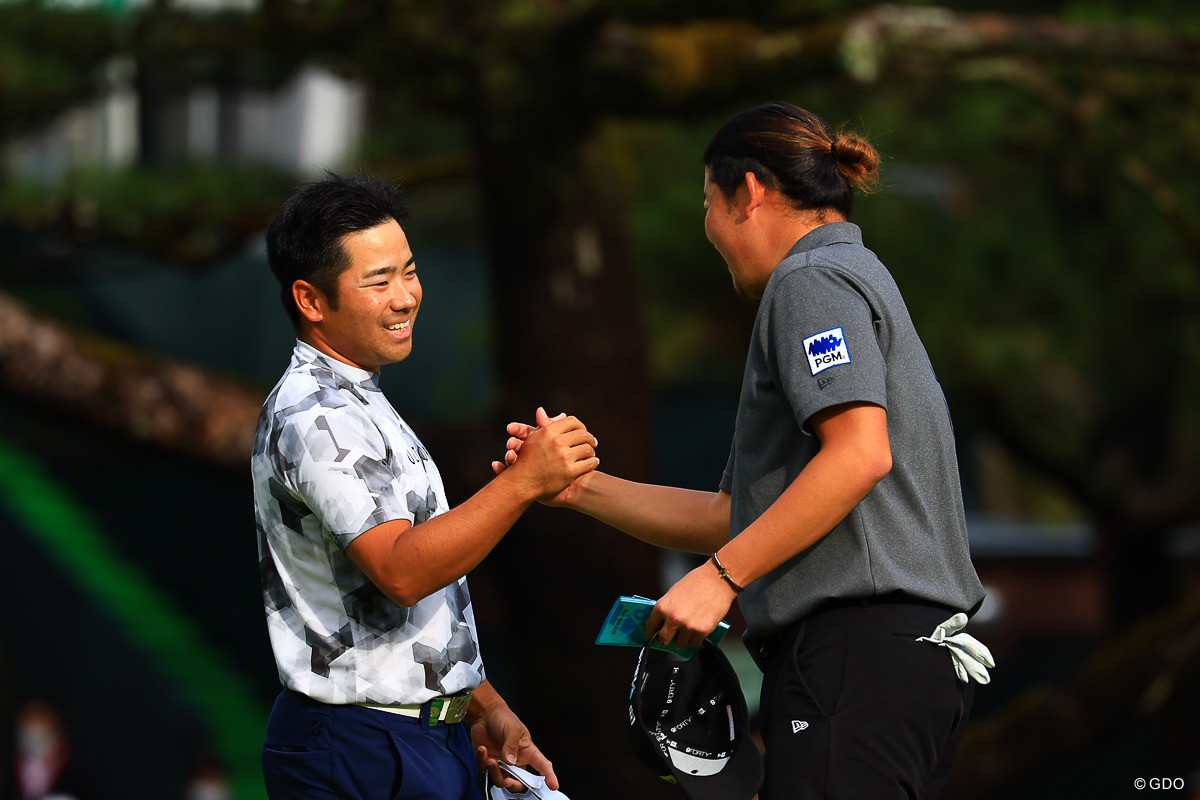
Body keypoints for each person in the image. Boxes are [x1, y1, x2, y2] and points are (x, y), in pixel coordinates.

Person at [498, 102, 988, 799]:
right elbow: (735, 514)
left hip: (857, 654)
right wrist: (577, 488)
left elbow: (858, 456)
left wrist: (719, 578)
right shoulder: (855, 275)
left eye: (708, 201)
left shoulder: (809, 279)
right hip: (894, 663)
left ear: (749, 193)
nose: (707, 226)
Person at [253, 172, 598, 800]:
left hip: (421, 740)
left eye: (409, 271)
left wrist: (480, 703)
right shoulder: (316, 415)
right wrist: (525, 482)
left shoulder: (358, 395)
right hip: (358, 744)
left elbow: (403, 605)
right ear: (310, 299)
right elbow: (403, 572)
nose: (406, 296)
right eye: (378, 281)